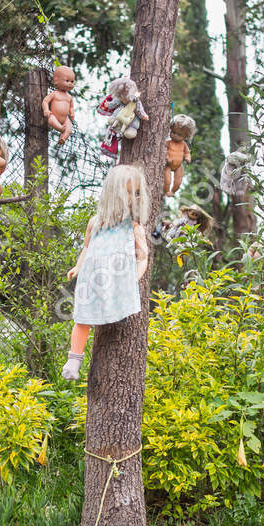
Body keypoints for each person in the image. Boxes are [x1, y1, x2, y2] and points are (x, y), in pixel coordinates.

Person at [61, 163, 149, 380]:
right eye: (127, 192)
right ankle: (74, 360)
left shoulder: (134, 227)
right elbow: (87, 247)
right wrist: (78, 266)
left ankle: (116, 319)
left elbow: (143, 257)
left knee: (115, 313)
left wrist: (133, 278)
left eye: (135, 193)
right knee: (82, 318)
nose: (131, 198)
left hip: (118, 283)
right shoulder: (96, 222)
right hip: (93, 280)